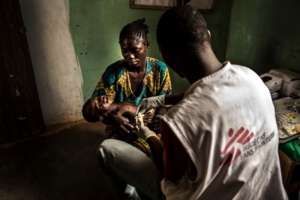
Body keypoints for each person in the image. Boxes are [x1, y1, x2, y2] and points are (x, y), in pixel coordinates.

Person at [97, 5, 288, 200]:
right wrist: (161, 100)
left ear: (166, 55)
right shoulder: (253, 79)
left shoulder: (178, 120)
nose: (129, 56)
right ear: (208, 35)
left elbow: (170, 178)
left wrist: (148, 135)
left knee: (106, 150)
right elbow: (209, 89)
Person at [91, 18, 172, 157]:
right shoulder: (113, 72)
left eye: (135, 50)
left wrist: (160, 116)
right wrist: (115, 120)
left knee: (167, 151)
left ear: (147, 45)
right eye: (125, 51)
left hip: (150, 124)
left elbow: (165, 101)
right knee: (119, 155)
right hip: (121, 125)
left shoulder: (160, 69)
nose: (130, 56)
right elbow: (96, 108)